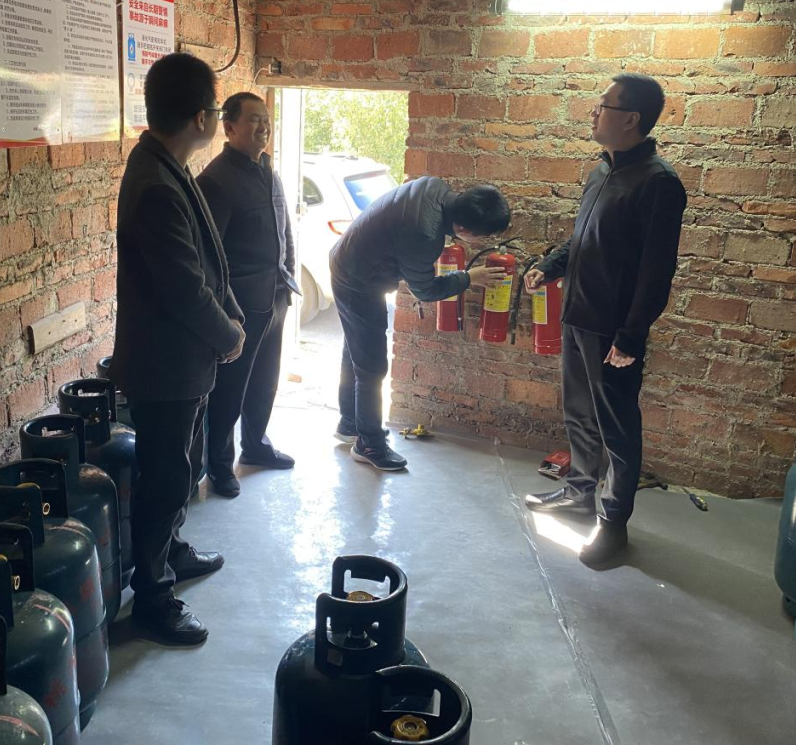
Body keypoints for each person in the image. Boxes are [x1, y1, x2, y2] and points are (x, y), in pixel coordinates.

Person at [523, 73, 686, 569]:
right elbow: (584, 239)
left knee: (617, 428)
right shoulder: (602, 171)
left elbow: (656, 271)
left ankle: (613, 523)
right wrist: (550, 266)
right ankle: (578, 493)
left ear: (631, 118)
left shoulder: (658, 183)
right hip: (577, 315)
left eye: (603, 105)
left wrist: (631, 336)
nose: (594, 113)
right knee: (578, 412)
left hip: (613, 331)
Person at [108, 53, 244, 644]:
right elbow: (185, 289)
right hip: (166, 365)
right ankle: (153, 599)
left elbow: (208, 259)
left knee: (180, 467)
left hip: (183, 362)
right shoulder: (157, 185)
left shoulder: (168, 164)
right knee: (163, 479)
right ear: (201, 117)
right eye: (215, 107)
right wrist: (229, 335)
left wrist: (231, 314)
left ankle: (172, 549)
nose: (215, 116)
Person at [329, 177, 511, 471]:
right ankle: (369, 444)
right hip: (357, 280)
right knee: (372, 367)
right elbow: (425, 291)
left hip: (352, 262)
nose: (481, 243)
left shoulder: (436, 188)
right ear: (465, 230)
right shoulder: (425, 235)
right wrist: (469, 277)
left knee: (357, 352)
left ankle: (352, 424)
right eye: (482, 237)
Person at [196, 93, 300, 498]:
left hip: (275, 295)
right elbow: (210, 256)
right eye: (254, 119)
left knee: (265, 381)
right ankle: (220, 466)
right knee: (230, 390)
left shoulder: (267, 170)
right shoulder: (216, 180)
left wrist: (288, 273)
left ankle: (255, 444)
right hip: (241, 306)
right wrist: (226, 313)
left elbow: (284, 230)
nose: (264, 127)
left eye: (266, 119)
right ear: (229, 127)